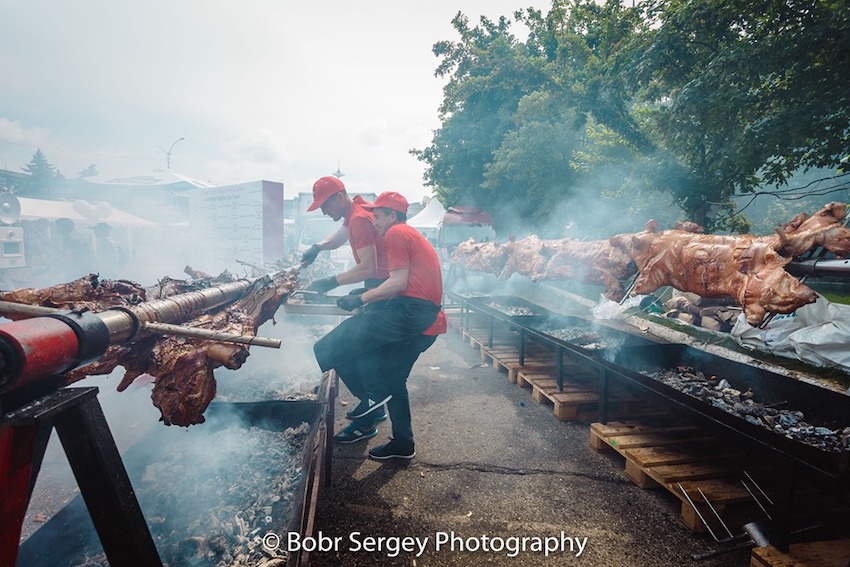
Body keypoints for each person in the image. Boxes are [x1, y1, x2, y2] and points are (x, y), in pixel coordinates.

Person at [313, 191, 447, 460]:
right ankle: (402, 443)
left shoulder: (396, 234)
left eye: (378, 214)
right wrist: (361, 295)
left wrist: (359, 298)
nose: (374, 220)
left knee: (330, 347)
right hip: (420, 315)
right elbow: (400, 282)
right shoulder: (406, 233)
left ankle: (373, 400)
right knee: (392, 379)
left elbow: (397, 283)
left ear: (392, 215)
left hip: (414, 315)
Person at [300, 176, 388, 293]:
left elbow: (368, 268)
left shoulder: (359, 219)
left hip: (387, 286)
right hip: (381, 283)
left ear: (339, 197)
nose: (324, 212)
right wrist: (317, 247)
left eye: (325, 206)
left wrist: (331, 282)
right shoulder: (356, 211)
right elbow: (340, 236)